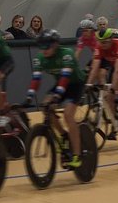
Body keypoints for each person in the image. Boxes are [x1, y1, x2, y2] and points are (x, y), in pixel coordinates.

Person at [28, 29, 87, 170]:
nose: (44, 50)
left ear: (55, 45)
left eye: (46, 46)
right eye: (41, 47)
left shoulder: (67, 54)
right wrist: (29, 96)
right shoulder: (40, 58)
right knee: (45, 107)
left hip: (75, 84)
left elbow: (66, 78)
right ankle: (63, 135)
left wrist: (57, 96)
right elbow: (36, 79)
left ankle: (77, 155)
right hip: (61, 83)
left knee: (68, 115)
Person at [86, 27, 118, 140]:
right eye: (101, 42)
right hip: (113, 63)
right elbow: (95, 67)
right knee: (108, 97)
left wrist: (114, 89)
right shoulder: (99, 47)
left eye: (105, 42)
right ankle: (116, 122)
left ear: (111, 39)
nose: (103, 44)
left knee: (115, 93)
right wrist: (88, 84)